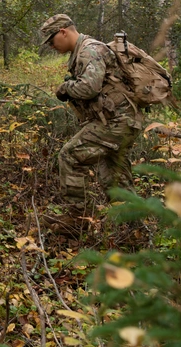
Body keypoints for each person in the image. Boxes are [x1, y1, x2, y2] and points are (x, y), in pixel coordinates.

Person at [39, 14, 143, 234]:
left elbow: (89, 88)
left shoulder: (89, 50)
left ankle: (78, 218)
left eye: (51, 40)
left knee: (70, 156)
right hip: (123, 122)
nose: (50, 46)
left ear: (63, 32)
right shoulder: (86, 49)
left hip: (116, 122)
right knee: (114, 176)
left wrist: (65, 89)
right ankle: (132, 228)